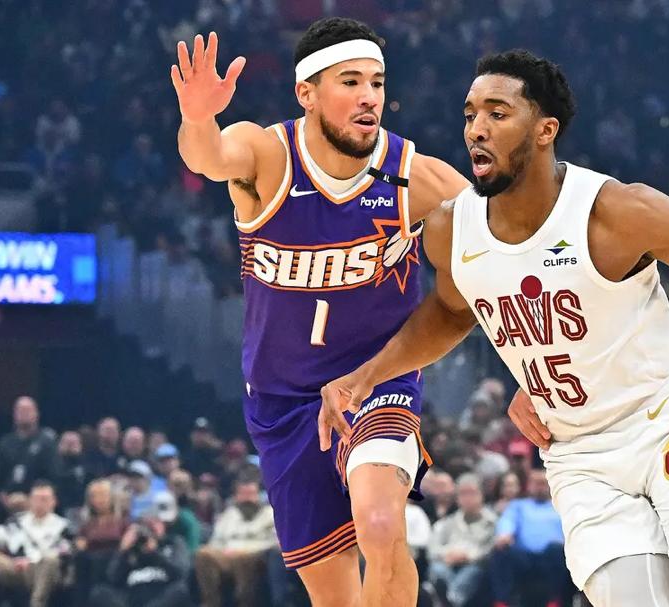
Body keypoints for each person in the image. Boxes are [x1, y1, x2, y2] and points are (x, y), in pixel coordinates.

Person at [319, 49, 669, 607]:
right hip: (577, 451)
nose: (476, 129)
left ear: (544, 130)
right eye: (470, 115)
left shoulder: (617, 211)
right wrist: (366, 376)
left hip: (667, 421)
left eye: (497, 114)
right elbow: (450, 312)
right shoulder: (452, 229)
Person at [171, 15, 472, 606]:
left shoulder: (417, 178)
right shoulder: (268, 155)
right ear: (306, 93)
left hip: (376, 380)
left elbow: (506, 254)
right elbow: (209, 157)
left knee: (381, 524)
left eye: (377, 83)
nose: (369, 97)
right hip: (282, 401)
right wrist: (198, 117)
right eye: (350, 82)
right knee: (334, 597)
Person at [489, 469, 570, 607]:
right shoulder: (518, 505)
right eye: (536, 483)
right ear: (529, 485)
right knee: (501, 551)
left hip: (552, 557)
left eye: (543, 483)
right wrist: (505, 534)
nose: (540, 487)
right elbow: (507, 521)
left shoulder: (561, 507)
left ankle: (554, 601)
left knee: (557, 550)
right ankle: (502, 602)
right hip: (524, 558)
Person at [0, 481, 70, 607]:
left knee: (50, 560)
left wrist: (31, 561)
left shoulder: (62, 526)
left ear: (53, 501)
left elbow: (64, 551)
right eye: (36, 499)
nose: (40, 503)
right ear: (30, 500)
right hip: (15, 566)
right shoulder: (18, 521)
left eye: (44, 499)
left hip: (41, 568)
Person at [193, 477, 277, 607]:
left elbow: (274, 541)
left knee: (241, 557)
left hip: (257, 555)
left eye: (251, 494)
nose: (247, 498)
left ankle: (245, 603)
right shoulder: (229, 515)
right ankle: (211, 602)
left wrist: (247, 550)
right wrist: (223, 551)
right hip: (226, 554)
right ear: (237, 496)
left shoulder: (270, 514)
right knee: (203, 554)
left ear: (258, 495)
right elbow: (216, 540)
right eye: (243, 494)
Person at [427, 473, 497, 607]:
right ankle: (452, 599)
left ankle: (450, 600)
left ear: (482, 495)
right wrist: (447, 555)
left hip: (474, 565)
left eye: (472, 493)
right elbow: (432, 548)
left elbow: (490, 549)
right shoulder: (447, 523)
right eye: (463, 494)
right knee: (436, 569)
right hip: (447, 563)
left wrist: (468, 556)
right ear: (457, 498)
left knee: (473, 572)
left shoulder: (492, 522)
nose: (467, 498)